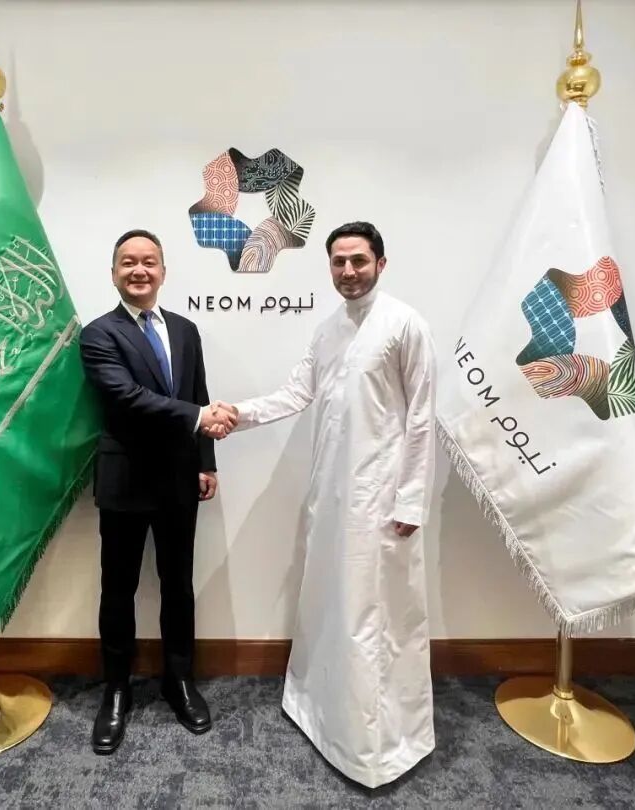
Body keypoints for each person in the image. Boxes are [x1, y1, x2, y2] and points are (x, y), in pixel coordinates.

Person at [215, 222, 438, 788]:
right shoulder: (328, 329)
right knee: (332, 604)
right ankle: (322, 714)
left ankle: (376, 745)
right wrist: (238, 414)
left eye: (358, 260)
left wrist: (411, 501)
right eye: (338, 262)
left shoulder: (405, 325)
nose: (348, 271)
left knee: (373, 616)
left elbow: (421, 419)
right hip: (333, 493)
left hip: (381, 500)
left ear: (381, 263)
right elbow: (298, 391)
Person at [79, 229, 236, 755]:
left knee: (178, 585)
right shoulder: (98, 334)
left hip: (178, 480)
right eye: (128, 262)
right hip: (125, 480)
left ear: (163, 272)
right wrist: (199, 417)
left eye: (148, 261)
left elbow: (198, 394)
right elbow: (125, 397)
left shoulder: (186, 330)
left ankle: (179, 680)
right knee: (117, 589)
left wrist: (206, 461)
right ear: (114, 274)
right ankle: (116, 690)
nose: (139, 270)